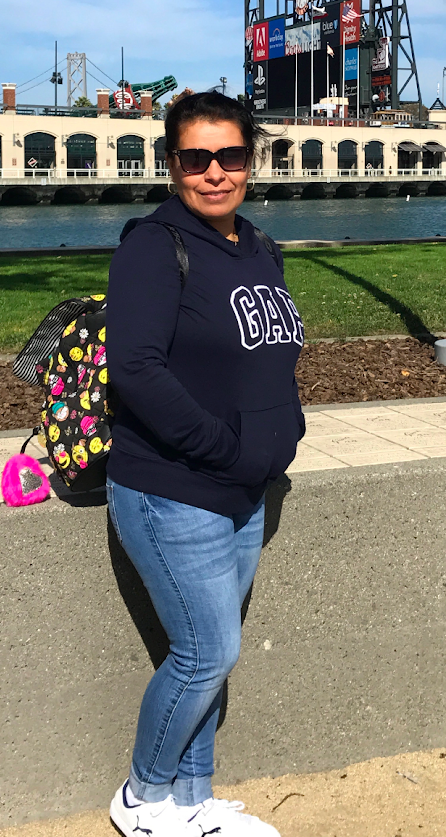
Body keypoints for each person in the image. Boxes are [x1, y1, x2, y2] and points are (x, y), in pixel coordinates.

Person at [105, 91, 305, 837]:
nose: (215, 172)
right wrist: (226, 448)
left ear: (252, 160)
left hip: (245, 490)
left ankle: (192, 804)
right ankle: (142, 797)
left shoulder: (258, 246)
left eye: (231, 155)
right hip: (173, 489)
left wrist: (285, 429)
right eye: (197, 158)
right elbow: (136, 369)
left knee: (210, 656)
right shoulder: (154, 247)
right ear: (172, 165)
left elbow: (270, 354)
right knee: (206, 651)